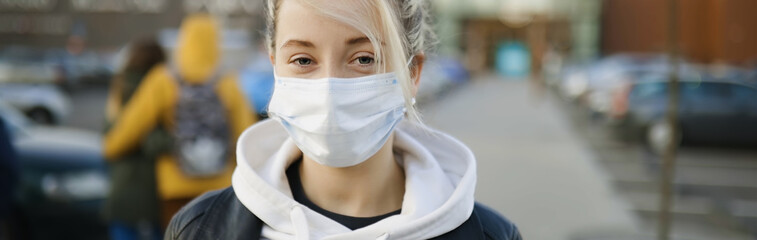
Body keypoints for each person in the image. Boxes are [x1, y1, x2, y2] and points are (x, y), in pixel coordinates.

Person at [167, 0, 522, 239]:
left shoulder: (492, 235)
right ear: (275, 64)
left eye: (364, 58)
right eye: (303, 60)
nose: (329, 89)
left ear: (413, 72)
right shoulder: (200, 228)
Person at [103, 14, 256, 230]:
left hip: (174, 188)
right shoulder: (228, 83)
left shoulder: (163, 80)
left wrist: (111, 147)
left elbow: (133, 125)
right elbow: (246, 134)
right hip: (220, 188)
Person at [103, 37, 169, 240]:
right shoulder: (160, 88)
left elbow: (109, 132)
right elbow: (160, 140)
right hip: (154, 188)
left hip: (121, 184)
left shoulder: (120, 85)